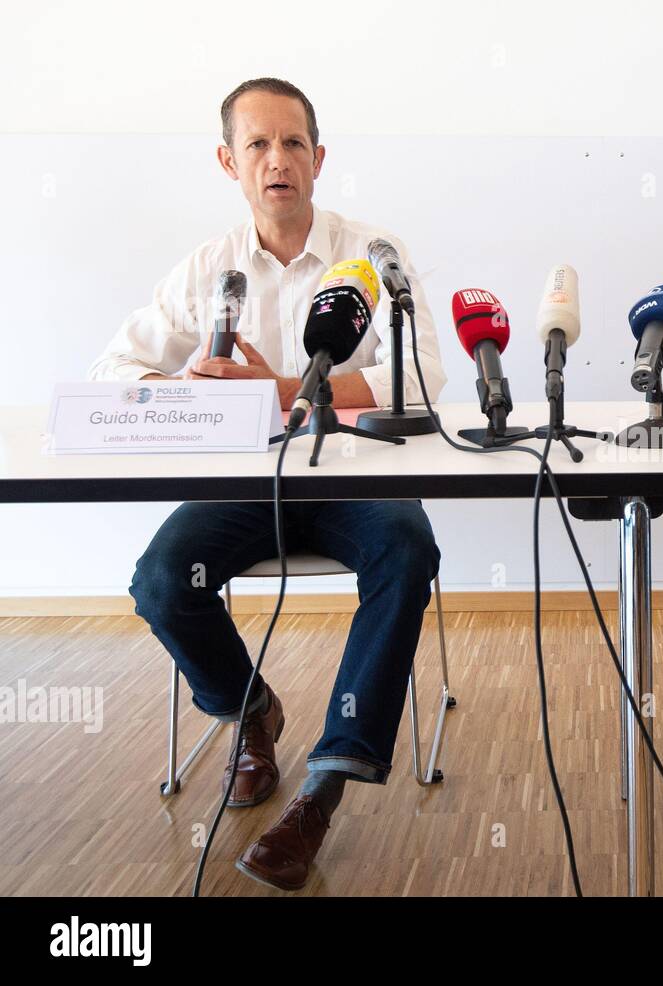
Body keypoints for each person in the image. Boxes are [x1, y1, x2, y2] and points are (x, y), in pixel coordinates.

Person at [90, 77, 447, 889]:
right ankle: (252, 712)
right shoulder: (207, 270)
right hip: (248, 484)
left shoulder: (371, 254)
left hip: (360, 478)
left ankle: (323, 787)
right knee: (159, 581)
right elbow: (112, 369)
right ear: (229, 162)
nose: (276, 160)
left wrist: (284, 392)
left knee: (407, 549)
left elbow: (422, 377)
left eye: (292, 144)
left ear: (319, 159)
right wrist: (189, 381)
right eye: (257, 144)